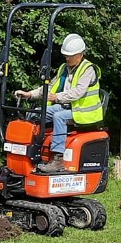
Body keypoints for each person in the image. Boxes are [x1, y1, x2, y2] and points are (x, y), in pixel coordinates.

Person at [14, 33, 103, 174]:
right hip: (68, 106)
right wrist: (30, 94)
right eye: (66, 55)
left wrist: (57, 97)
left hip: (84, 112)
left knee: (59, 117)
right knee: (37, 113)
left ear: (80, 54)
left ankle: (58, 160)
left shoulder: (88, 70)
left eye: (70, 55)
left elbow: (77, 92)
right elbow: (49, 87)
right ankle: (29, 152)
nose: (67, 58)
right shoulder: (64, 69)